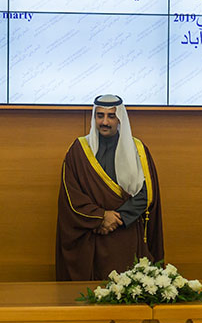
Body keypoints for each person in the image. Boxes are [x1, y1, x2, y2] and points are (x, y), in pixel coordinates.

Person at [56, 94, 163, 281]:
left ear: (120, 119)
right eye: (100, 116)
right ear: (94, 117)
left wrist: (117, 218)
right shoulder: (79, 150)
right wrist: (101, 217)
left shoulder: (137, 150)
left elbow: (147, 193)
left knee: (127, 290)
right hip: (91, 235)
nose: (105, 122)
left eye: (111, 116)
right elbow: (71, 195)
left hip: (125, 234)